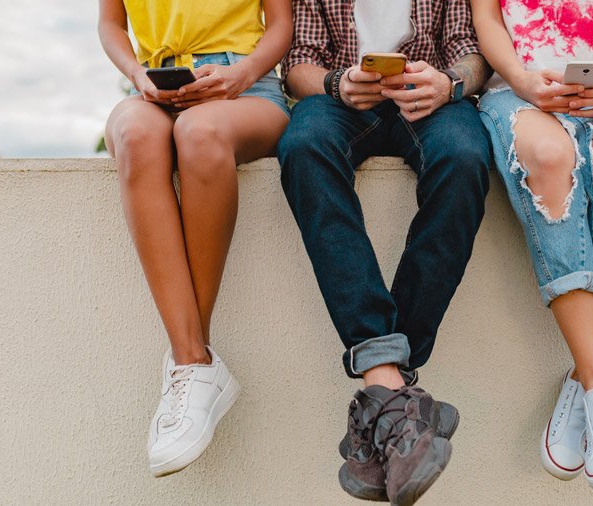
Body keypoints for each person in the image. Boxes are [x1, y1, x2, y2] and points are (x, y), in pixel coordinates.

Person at [276, 1, 492, 503]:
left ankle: (386, 386)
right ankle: (398, 394)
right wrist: (336, 84)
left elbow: (470, 51)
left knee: (464, 158)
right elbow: (299, 62)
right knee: (304, 145)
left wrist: (449, 84)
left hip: (431, 102)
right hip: (340, 104)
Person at [472, 0, 593, 491]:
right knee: (548, 155)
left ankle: (588, 379)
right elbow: (488, 19)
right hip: (517, 93)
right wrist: (519, 78)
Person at [98, 0, 291, 477]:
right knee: (134, 136)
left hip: (247, 89)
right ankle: (194, 362)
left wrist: (240, 76)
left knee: (199, 135)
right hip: (156, 88)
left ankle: (190, 365)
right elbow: (110, 23)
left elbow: (282, 25)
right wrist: (137, 74)